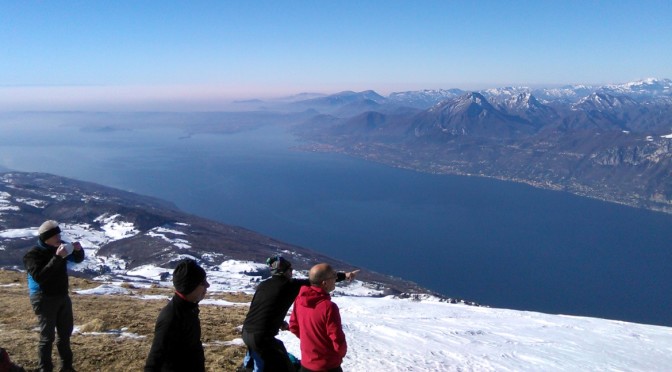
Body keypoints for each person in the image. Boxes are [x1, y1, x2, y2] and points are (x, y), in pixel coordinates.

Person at [240, 256, 358, 372]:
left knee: (266, 362)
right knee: (285, 367)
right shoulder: (289, 286)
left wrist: (277, 322)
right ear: (286, 272)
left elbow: (259, 308)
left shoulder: (263, 285)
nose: (292, 272)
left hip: (246, 332)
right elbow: (316, 281)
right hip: (262, 337)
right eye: (290, 270)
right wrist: (344, 276)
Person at [23, 220, 85, 372]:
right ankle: (45, 368)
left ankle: (67, 368)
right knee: (47, 337)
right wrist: (57, 257)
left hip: (62, 296)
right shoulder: (32, 255)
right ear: (46, 238)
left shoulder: (60, 246)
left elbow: (77, 259)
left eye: (59, 234)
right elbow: (40, 276)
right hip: (43, 297)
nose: (59, 237)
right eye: (55, 235)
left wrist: (77, 250)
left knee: (65, 335)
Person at [145, 259, 209, 372]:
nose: (207, 285)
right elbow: (155, 359)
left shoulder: (189, 308)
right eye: (203, 282)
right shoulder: (171, 317)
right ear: (191, 286)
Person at [289, 264, 347, 372]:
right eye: (333, 276)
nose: (336, 278)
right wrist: (339, 355)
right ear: (324, 283)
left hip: (306, 364)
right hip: (328, 366)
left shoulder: (299, 300)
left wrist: (310, 341)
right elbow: (337, 339)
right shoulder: (329, 307)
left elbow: (293, 327)